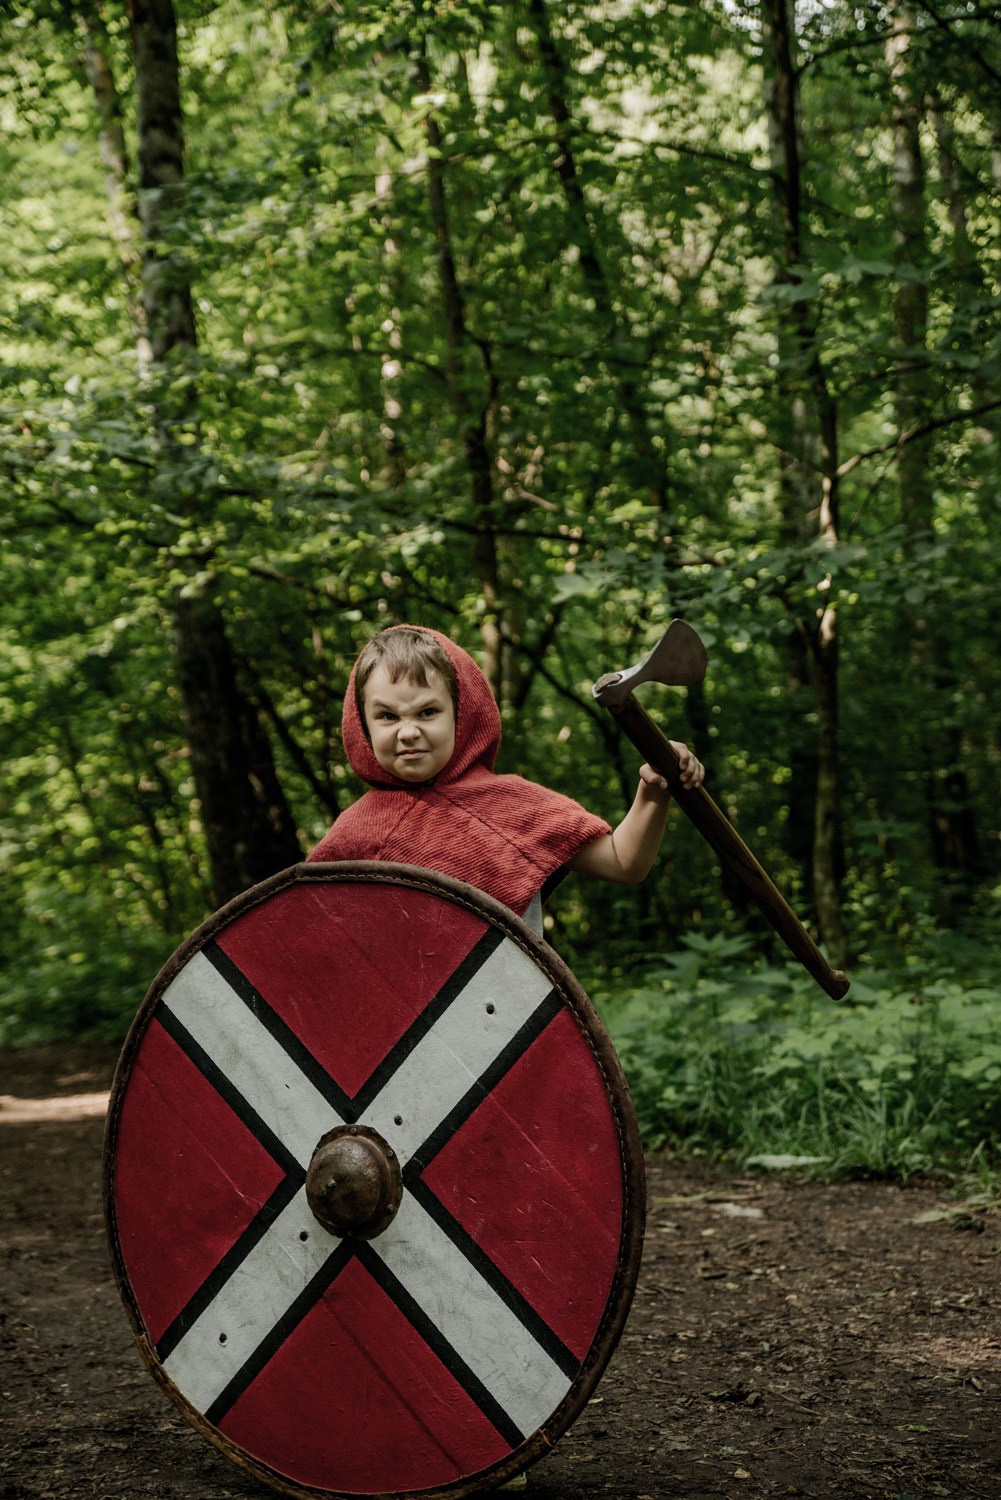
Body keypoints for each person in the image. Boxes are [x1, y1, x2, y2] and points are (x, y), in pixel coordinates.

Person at [307, 624, 704, 923]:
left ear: (462, 714)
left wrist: (654, 790)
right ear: (363, 725)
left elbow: (623, 862)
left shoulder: (513, 807)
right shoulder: (356, 834)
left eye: (428, 712)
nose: (408, 732)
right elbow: (304, 934)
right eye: (388, 716)